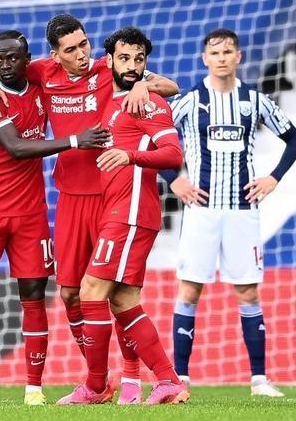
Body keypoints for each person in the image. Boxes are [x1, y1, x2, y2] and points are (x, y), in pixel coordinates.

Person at [0, 14, 179, 404]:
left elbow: (170, 85)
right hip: (70, 196)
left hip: (110, 195)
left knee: (114, 290)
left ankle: (132, 377)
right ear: (55, 54)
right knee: (71, 294)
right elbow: (4, 71)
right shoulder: (43, 72)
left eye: (84, 44)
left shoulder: (108, 66)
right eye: (71, 49)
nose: (82, 54)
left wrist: (143, 84)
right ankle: (98, 380)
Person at [0, 30, 110, 407]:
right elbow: (16, 148)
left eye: (12, 58)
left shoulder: (40, 83)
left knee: (33, 298)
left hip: (31, 214)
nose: (4, 65)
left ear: (27, 59)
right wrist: (75, 141)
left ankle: (34, 389)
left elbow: (72, 70)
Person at [161, 28, 296, 397]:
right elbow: (152, 138)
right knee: (189, 289)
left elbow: (294, 139)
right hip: (201, 211)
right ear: (204, 59)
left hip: (243, 211)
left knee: (248, 292)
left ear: (238, 56)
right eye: (215, 53)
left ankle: (259, 380)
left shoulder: (254, 100)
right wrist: (174, 180)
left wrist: (273, 177)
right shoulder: (190, 101)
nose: (221, 58)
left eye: (227, 52)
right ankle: (180, 378)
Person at [57, 27, 188, 405]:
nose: (132, 66)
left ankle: (96, 386)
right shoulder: (113, 97)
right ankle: (168, 381)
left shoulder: (147, 103)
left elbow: (173, 154)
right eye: (125, 58)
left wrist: (130, 156)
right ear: (109, 60)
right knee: (124, 300)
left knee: (90, 291)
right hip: (118, 211)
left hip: (130, 213)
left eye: (139, 60)